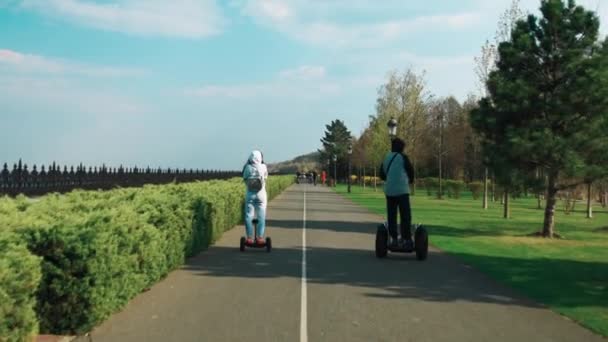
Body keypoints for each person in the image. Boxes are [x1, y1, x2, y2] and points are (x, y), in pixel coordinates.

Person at [379, 138, 415, 250]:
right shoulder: (403, 157)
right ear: (401, 148)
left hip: (389, 191)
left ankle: (394, 239)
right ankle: (406, 239)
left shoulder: (386, 158)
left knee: (392, 215)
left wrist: (390, 178)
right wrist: (409, 180)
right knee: (405, 215)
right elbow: (411, 171)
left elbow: (382, 175)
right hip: (402, 191)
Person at [242, 150, 269, 245]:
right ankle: (259, 238)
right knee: (261, 216)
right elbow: (266, 178)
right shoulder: (264, 167)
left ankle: (249, 237)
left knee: (249, 215)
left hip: (250, 194)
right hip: (261, 194)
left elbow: (244, 178)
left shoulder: (247, 168)